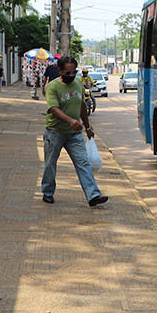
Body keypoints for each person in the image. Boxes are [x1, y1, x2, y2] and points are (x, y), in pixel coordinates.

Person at [41, 56, 108, 207]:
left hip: (75, 134)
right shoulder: (53, 86)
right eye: (67, 73)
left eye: (73, 73)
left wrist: (88, 126)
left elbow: (82, 106)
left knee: (83, 162)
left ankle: (93, 195)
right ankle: (47, 192)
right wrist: (70, 121)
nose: (71, 76)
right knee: (50, 164)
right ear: (60, 71)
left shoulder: (78, 83)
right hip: (55, 132)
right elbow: (53, 108)